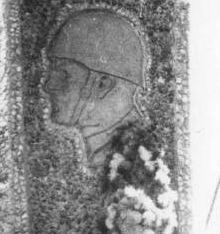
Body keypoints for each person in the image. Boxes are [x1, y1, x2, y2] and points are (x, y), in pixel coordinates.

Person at [43, 9, 146, 164]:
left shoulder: (138, 156)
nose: (48, 86)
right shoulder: (110, 153)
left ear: (102, 85)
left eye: (64, 76)